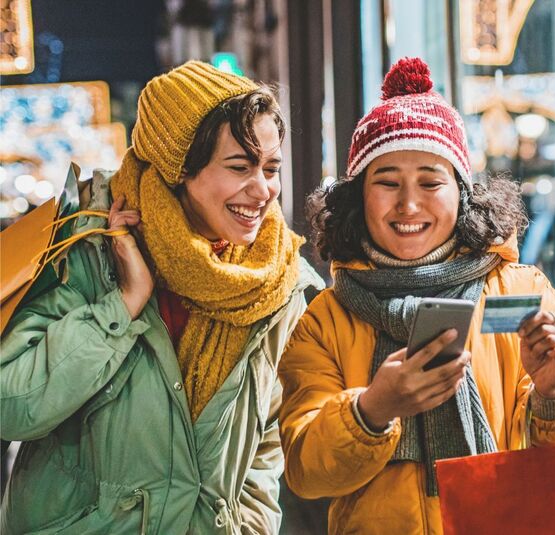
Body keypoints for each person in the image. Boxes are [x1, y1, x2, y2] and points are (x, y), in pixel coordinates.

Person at [0, 61, 321, 534]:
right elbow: (12, 406)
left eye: (271, 168)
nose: (263, 190)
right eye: (240, 167)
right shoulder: (85, 247)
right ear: (177, 171)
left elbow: (261, 449)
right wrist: (122, 305)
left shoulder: (274, 282)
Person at [278, 57, 555, 534]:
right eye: (386, 182)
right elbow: (306, 470)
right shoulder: (326, 319)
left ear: (462, 192)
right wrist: (372, 410)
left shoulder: (523, 292)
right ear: (358, 195)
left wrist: (552, 393)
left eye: (430, 181)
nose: (408, 204)